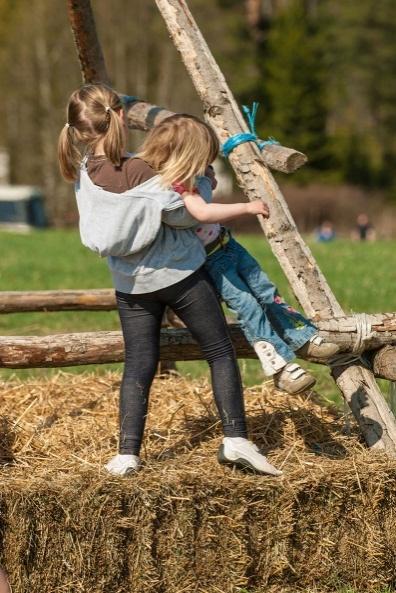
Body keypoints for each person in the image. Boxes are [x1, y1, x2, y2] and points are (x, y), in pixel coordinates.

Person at [58, 83, 284, 478]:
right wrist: (206, 182)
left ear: (78, 130)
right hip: (179, 276)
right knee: (218, 351)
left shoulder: (84, 173)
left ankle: (127, 453)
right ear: (120, 121)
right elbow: (186, 214)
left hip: (129, 285)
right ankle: (236, 439)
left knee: (138, 365)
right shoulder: (141, 170)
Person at [137, 117, 339, 395]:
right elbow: (203, 213)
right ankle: (280, 367)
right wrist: (246, 207)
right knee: (247, 306)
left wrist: (206, 177)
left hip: (227, 245)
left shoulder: (191, 179)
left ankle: (301, 335)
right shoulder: (175, 187)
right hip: (212, 260)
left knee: (266, 291)